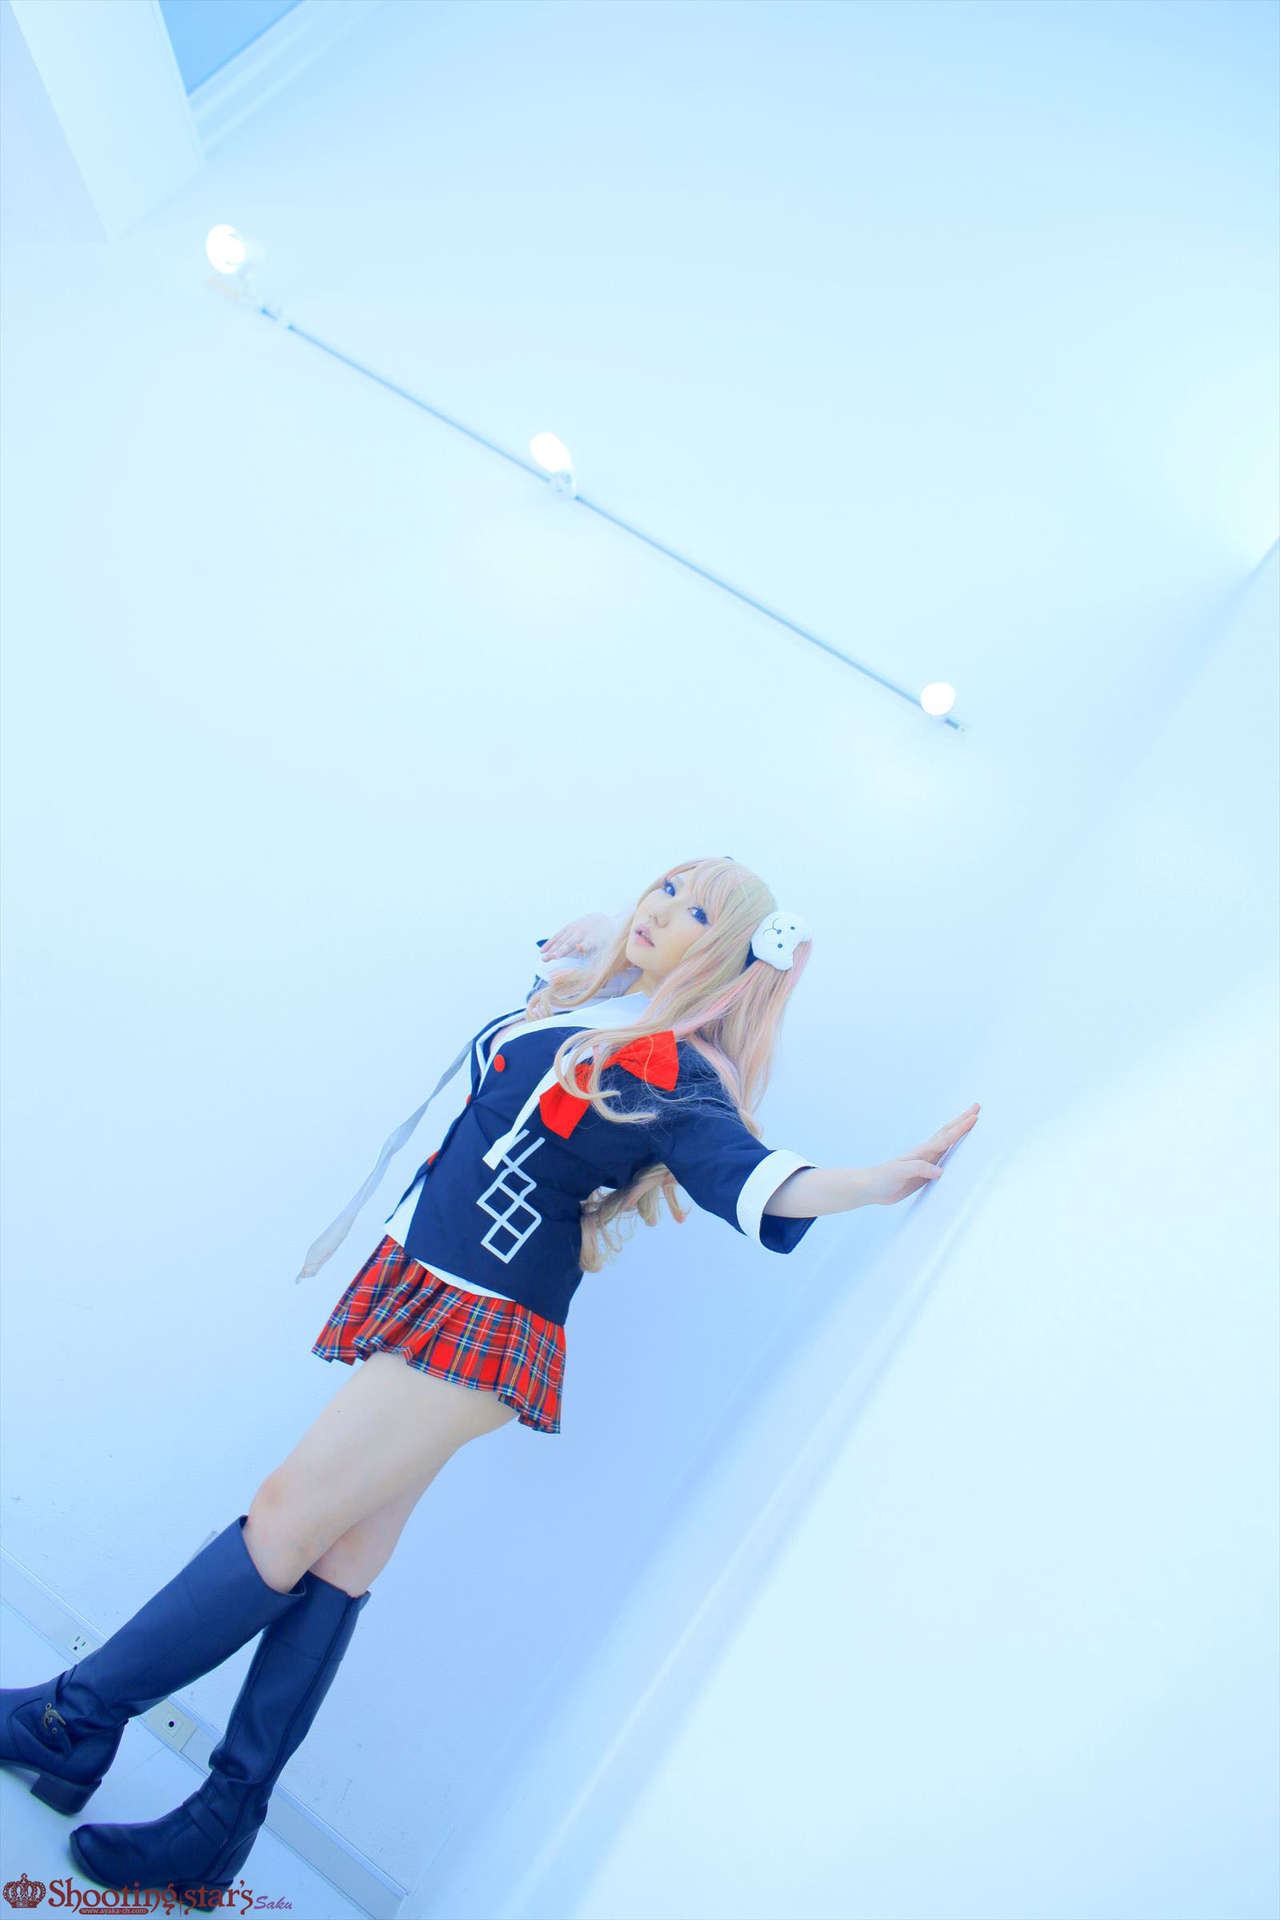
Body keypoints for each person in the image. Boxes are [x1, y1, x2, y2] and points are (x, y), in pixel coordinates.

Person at [0, 855, 979, 1901]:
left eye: (695, 911)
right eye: (664, 887)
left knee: (284, 1514)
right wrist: (590, 952)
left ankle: (71, 1718)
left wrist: (871, 1183)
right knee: (339, 1557)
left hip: (485, 1315)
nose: (661, 910)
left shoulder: (682, 1071)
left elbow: (751, 1176)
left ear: (733, 956)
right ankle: (218, 1825)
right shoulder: (610, 1010)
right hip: (435, 1282)